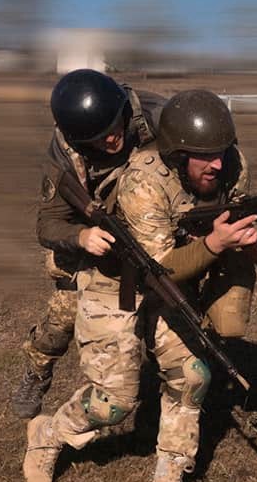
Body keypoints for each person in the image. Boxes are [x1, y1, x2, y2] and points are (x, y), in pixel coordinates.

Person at [23, 89, 257, 482]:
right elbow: (162, 265)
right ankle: (48, 434)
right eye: (205, 156)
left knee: (192, 376)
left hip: (166, 269)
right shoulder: (140, 179)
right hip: (113, 278)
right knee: (114, 401)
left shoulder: (208, 151)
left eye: (222, 152)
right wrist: (79, 237)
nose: (220, 164)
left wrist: (231, 240)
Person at [10, 68, 166, 419]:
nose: (112, 141)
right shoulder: (63, 153)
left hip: (150, 227)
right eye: (98, 139)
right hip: (92, 240)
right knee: (63, 317)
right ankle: (37, 371)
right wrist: (81, 237)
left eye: (114, 130)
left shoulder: (158, 116)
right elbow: (47, 224)